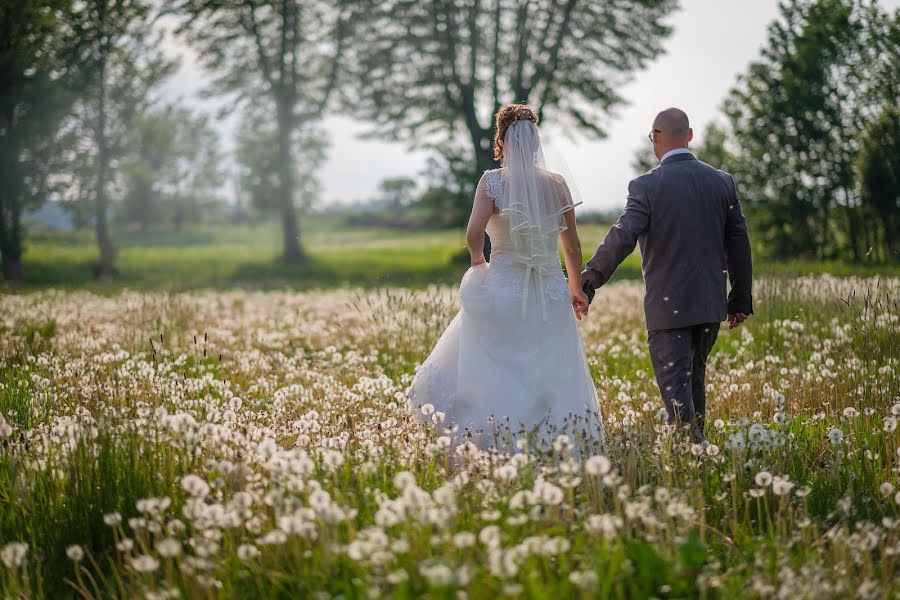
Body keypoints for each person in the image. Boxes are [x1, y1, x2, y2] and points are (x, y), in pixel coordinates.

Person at [406, 103, 602, 449]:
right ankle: (556, 439)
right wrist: (575, 288)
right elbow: (571, 246)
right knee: (552, 365)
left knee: (496, 364)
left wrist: (478, 261)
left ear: (502, 140)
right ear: (536, 143)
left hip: (504, 285)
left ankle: (493, 435)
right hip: (549, 289)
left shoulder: (492, 182)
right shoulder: (557, 185)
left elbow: (472, 232)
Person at [579, 107, 753, 443]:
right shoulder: (722, 182)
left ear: (655, 139)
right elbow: (738, 243)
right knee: (695, 381)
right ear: (689, 135)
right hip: (709, 304)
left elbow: (622, 237)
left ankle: (695, 457)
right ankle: (700, 462)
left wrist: (588, 281)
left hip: (668, 308)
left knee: (677, 396)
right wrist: (739, 297)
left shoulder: (647, 186)